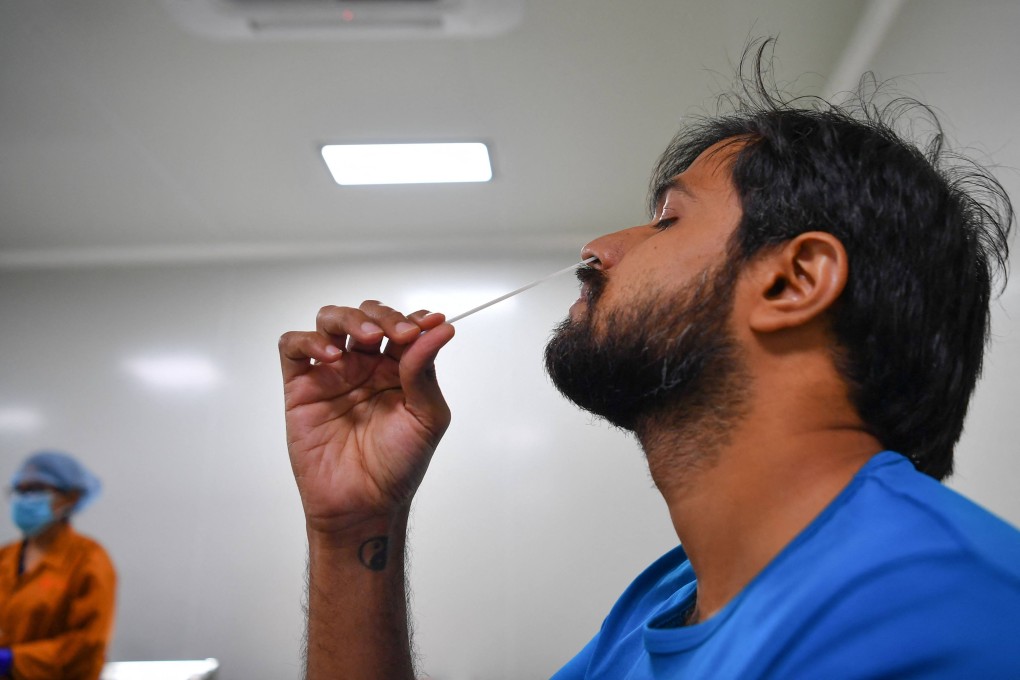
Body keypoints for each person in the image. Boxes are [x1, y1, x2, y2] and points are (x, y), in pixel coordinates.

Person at [278, 41, 1020, 679]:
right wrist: (353, 529)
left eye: (668, 218)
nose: (598, 249)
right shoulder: (667, 600)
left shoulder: (939, 612)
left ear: (793, 282)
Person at [0, 451, 116, 680]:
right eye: (20, 490)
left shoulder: (89, 560)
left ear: (71, 497)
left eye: (35, 489)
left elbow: (87, 646)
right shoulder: (6, 556)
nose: (24, 499)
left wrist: (14, 660)